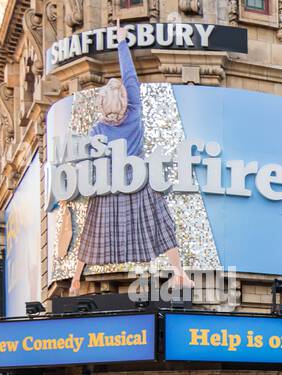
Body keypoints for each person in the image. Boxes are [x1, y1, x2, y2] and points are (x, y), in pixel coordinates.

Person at [70, 26, 192, 295]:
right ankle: (179, 270)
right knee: (161, 222)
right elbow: (130, 75)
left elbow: (86, 160)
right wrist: (122, 42)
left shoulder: (98, 130)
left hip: (110, 184)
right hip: (138, 179)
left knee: (91, 229)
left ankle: (76, 278)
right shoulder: (134, 111)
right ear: (124, 98)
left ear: (102, 103)